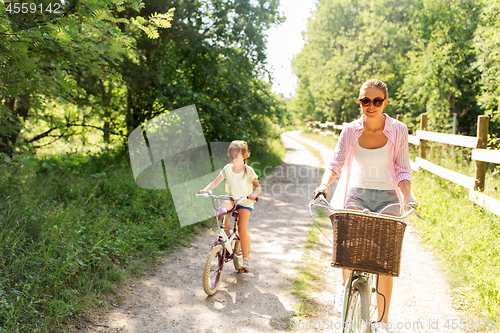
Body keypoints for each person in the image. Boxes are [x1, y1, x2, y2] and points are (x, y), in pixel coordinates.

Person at [313, 79, 416, 333]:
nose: (371, 106)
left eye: (377, 101)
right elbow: (335, 163)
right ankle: (345, 287)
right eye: (365, 101)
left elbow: (402, 169)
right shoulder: (350, 130)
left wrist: (407, 196)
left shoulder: (399, 129)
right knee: (349, 243)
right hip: (356, 194)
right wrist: (324, 185)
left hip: (388, 196)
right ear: (359, 101)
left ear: (385, 103)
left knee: (384, 260)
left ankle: (382, 321)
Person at [200, 140, 261, 273]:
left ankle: (245, 260)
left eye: (236, 156)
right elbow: (215, 182)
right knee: (222, 209)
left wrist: (253, 194)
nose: (233, 159)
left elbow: (257, 186)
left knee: (241, 230)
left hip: (244, 201)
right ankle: (226, 230)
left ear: (243, 156)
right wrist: (205, 189)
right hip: (232, 198)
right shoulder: (227, 169)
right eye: (231, 156)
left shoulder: (248, 171)